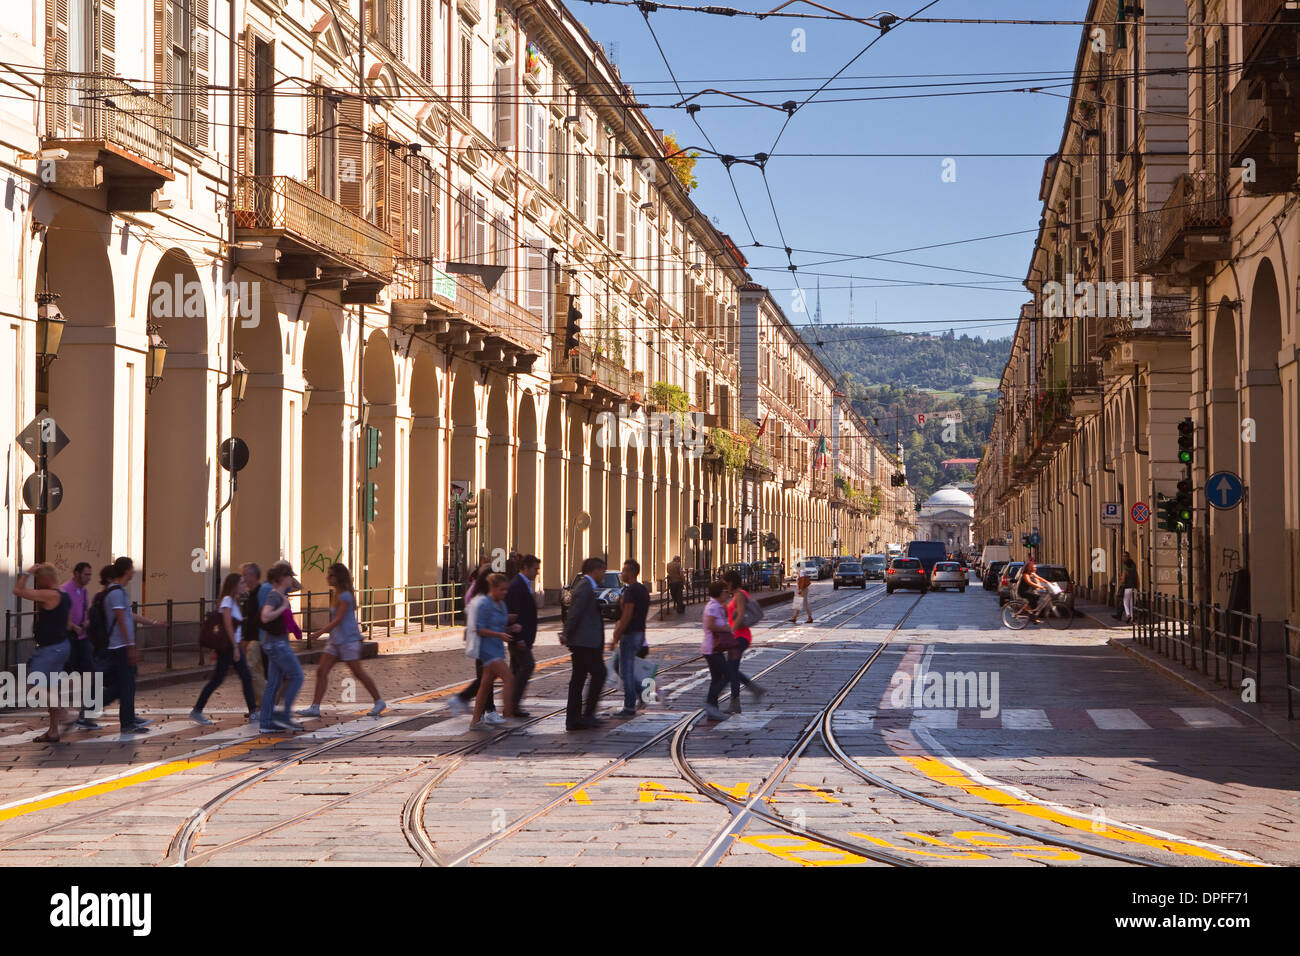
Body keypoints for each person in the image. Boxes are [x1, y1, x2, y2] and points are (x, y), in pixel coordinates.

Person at [299, 563, 386, 717]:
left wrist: (319, 632)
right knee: (321, 670)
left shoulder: (345, 595)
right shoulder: (338, 594)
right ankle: (315, 706)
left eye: (331, 575)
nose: (327, 577)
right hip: (336, 640)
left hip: (348, 640)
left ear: (338, 577)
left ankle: (379, 701)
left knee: (358, 672)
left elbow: (338, 619)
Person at [99, 557, 159, 734]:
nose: (134, 571)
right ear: (126, 570)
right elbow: (121, 620)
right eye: (132, 568)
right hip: (119, 647)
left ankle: (126, 717)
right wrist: (130, 646)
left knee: (124, 685)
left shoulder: (118, 591)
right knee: (126, 685)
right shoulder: (116, 592)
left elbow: (128, 616)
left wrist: (153, 623)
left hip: (120, 646)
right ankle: (127, 722)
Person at [14, 564, 73, 742]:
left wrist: (27, 572)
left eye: (38, 581)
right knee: (50, 689)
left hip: (50, 649)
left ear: (45, 580)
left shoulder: (50, 594)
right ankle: (53, 731)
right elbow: (69, 623)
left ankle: (66, 714)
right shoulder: (65, 595)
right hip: (61, 645)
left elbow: (18, 590)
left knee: (34, 685)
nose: (37, 585)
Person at [190, 572, 258, 724]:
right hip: (229, 646)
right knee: (218, 679)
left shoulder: (234, 601)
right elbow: (227, 625)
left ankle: (253, 712)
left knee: (244, 677)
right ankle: (197, 710)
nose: (244, 585)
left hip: (233, 645)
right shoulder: (227, 600)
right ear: (233, 585)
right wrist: (235, 647)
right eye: (241, 583)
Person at [468, 573, 522, 730]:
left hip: (497, 648)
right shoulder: (485, 603)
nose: (504, 593)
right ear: (492, 588)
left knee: (485, 685)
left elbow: (498, 625)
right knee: (509, 678)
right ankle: (508, 714)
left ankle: (476, 721)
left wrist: (511, 628)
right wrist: (499, 634)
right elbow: (479, 629)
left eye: (506, 590)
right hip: (487, 649)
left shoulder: (501, 604)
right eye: (501, 590)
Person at [257, 563, 305, 732]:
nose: (293, 579)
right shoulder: (275, 596)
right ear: (283, 578)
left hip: (275, 643)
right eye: (290, 576)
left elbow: (300, 586)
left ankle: (266, 722)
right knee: (297, 676)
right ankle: (284, 715)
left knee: (273, 683)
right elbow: (265, 616)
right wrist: (283, 607)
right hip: (277, 645)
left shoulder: (281, 594)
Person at [562, 557, 607, 731]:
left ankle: (575, 719)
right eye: (602, 570)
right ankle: (585, 716)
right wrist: (566, 632)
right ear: (595, 570)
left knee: (578, 679)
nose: (603, 574)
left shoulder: (586, 586)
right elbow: (575, 612)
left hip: (584, 642)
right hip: (584, 643)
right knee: (598, 674)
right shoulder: (585, 587)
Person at [449, 560, 498, 718]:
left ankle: (486, 711)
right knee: (486, 678)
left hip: (486, 643)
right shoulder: (482, 599)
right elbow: (481, 624)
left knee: (486, 677)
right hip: (485, 644)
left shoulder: (479, 595)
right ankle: (462, 699)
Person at [610, 559, 650, 717]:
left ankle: (629, 707)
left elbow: (627, 615)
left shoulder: (631, 591)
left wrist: (615, 637)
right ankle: (641, 691)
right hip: (639, 633)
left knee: (625, 671)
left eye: (624, 571)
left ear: (631, 573)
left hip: (630, 634)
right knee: (619, 666)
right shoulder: (642, 589)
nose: (622, 573)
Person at [61, 562, 99, 730]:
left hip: (82, 639)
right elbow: (62, 615)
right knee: (63, 675)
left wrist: (86, 622)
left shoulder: (84, 591)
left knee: (92, 672)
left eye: (90, 575)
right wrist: (72, 626)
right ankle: (60, 710)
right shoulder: (65, 589)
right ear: (76, 573)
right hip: (68, 638)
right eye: (86, 574)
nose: (89, 578)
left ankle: (87, 713)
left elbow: (86, 611)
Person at [722, 569, 765, 713]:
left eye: (726, 583)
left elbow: (740, 616)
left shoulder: (740, 595)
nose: (725, 586)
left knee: (731, 669)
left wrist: (731, 632)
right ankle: (753, 690)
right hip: (738, 637)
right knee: (731, 668)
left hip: (740, 637)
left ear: (731, 582)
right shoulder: (736, 595)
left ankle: (737, 701)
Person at [505, 555, 541, 717]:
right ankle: (513, 705)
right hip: (518, 638)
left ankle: (511, 706)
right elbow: (515, 612)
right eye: (535, 569)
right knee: (527, 665)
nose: (537, 572)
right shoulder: (517, 585)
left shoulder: (524, 584)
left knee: (515, 670)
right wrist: (519, 638)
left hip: (523, 637)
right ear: (525, 568)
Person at [701, 581, 733, 722]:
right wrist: (726, 628)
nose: (728, 594)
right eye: (725, 591)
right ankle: (709, 703)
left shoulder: (717, 606)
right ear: (719, 592)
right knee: (728, 675)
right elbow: (710, 625)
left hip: (714, 648)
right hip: (712, 648)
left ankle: (713, 710)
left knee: (716, 679)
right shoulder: (713, 607)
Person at [239, 562, 266, 707]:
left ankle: (265, 701)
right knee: (256, 671)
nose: (242, 578)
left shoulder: (259, 594)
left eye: (245, 575)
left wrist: (248, 639)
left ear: (253, 576)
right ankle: (261, 701)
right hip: (253, 639)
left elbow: (256, 620)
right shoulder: (251, 594)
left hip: (257, 639)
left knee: (251, 671)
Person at [1018, 557, 1053, 622]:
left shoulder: (1032, 574)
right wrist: (1040, 586)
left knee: (1036, 598)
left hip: (1029, 591)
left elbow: (1040, 578)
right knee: (1034, 600)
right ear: (1029, 568)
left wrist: (1048, 583)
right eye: (1034, 567)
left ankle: (1028, 610)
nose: (1035, 568)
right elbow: (1029, 582)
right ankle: (1033, 617)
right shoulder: (1025, 575)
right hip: (1023, 591)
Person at [1119, 552, 1139, 624]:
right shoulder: (1134, 570)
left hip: (1127, 588)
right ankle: (1132, 618)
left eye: (1124, 556)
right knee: (1132, 604)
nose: (1123, 558)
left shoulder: (1125, 569)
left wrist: (1121, 580)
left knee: (1125, 602)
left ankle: (1128, 615)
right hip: (1135, 588)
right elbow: (1138, 579)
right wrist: (1138, 588)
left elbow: (1123, 579)